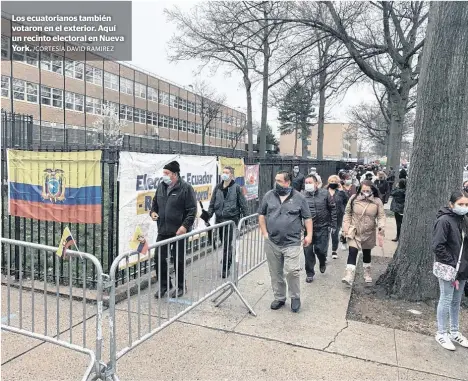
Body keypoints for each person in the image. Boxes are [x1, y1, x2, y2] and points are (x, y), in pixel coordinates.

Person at [258, 170, 313, 313]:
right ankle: (280, 298)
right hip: (272, 241)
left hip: (292, 242)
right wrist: (264, 233)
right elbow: (262, 215)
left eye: (279, 180)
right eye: (275, 180)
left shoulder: (299, 198)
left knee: (291, 271)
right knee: (275, 272)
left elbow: (307, 218)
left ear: (287, 182)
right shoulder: (269, 196)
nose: (275, 183)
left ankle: (295, 297)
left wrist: (309, 235)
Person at [150, 161, 197, 298]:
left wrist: (184, 226)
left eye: (167, 173)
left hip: (179, 231)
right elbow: (154, 204)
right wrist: (153, 213)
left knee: (178, 259)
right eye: (163, 173)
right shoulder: (161, 187)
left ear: (175, 174)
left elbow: (192, 210)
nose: (164, 175)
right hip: (163, 230)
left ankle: (181, 286)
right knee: (159, 258)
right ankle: (165, 285)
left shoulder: (186, 188)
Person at [432, 191, 468, 350]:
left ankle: (454, 331)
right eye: (461, 204)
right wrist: (453, 263)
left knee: (456, 301)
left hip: (463, 268)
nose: (464, 207)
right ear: (451, 204)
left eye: (466, 204)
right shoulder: (444, 221)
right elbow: (437, 246)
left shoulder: (464, 220)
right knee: (446, 299)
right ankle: (441, 332)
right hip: (449, 268)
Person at [341, 180, 386, 286]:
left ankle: (367, 272)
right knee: (352, 251)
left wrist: (381, 227)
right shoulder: (353, 199)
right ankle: (349, 275)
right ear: (360, 190)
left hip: (369, 232)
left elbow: (381, 216)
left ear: (372, 190)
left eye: (367, 190)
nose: (365, 192)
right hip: (354, 230)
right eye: (363, 190)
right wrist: (345, 227)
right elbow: (347, 213)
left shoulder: (377, 201)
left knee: (366, 253)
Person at [206, 166, 248, 278]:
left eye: (226, 172)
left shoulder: (236, 188)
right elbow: (212, 203)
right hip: (219, 220)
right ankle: (229, 256)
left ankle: (225, 267)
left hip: (231, 220)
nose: (224, 174)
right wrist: (208, 216)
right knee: (223, 242)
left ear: (231, 175)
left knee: (226, 244)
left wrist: (246, 219)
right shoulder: (218, 188)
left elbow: (243, 204)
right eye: (223, 172)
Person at [303, 174, 337, 282]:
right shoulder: (302, 196)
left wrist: (333, 224)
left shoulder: (324, 193)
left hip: (322, 227)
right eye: (306, 183)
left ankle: (322, 261)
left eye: (310, 183)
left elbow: (332, 208)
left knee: (320, 250)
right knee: (308, 252)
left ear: (316, 183)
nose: (308, 185)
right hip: (308, 230)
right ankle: (310, 273)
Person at [327, 175, 348, 260]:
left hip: (338, 215)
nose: (333, 183)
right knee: (325, 235)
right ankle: (324, 252)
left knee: (335, 233)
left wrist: (342, 191)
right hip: (326, 215)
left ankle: (334, 250)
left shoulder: (340, 192)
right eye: (331, 181)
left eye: (335, 182)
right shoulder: (324, 191)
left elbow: (347, 201)